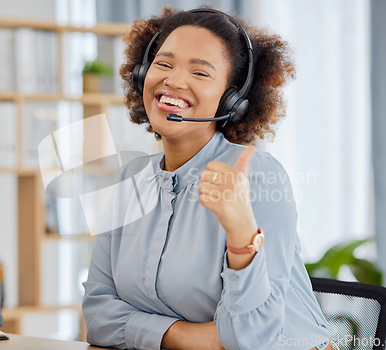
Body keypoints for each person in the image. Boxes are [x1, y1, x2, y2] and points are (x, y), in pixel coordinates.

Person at [82, 6, 332, 350]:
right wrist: (182, 336)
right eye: (164, 64)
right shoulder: (129, 180)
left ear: (232, 100)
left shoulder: (255, 176)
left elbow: (250, 340)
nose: (173, 80)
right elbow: (96, 316)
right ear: (142, 74)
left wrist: (242, 234)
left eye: (200, 73)